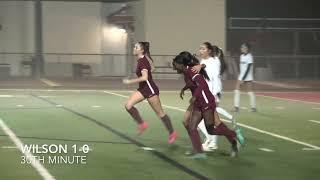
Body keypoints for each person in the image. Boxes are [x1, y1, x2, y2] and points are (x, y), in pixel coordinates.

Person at [173, 51, 239, 159]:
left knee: (211, 130)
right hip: (199, 102)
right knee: (191, 126)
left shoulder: (191, 71)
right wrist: (184, 89)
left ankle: (232, 135)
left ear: (181, 64)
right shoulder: (187, 72)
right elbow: (192, 83)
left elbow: (202, 84)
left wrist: (194, 96)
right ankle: (199, 151)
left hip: (206, 101)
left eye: (175, 65)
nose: (174, 68)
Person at [123, 42, 177, 144]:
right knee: (128, 105)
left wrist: (130, 81)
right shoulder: (142, 60)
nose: (134, 48)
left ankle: (172, 132)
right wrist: (149, 69)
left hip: (150, 90)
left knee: (160, 114)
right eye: (134, 46)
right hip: (143, 89)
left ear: (141, 50)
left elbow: (145, 77)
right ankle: (142, 124)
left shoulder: (143, 61)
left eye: (136, 47)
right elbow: (152, 68)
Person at [191, 42, 234, 151]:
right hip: (205, 95)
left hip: (211, 95)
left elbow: (215, 79)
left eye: (203, 49)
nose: (200, 50)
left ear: (209, 51)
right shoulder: (203, 61)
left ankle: (214, 141)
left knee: (205, 122)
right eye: (200, 48)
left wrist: (214, 95)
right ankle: (226, 138)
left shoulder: (214, 62)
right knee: (211, 122)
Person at [233, 42, 257, 112]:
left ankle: (253, 107)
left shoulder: (249, 56)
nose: (242, 48)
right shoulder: (241, 56)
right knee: (236, 91)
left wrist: (243, 79)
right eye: (241, 47)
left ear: (247, 48)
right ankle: (236, 107)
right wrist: (240, 76)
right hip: (241, 76)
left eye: (243, 47)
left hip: (248, 77)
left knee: (250, 92)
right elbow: (242, 68)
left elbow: (248, 68)